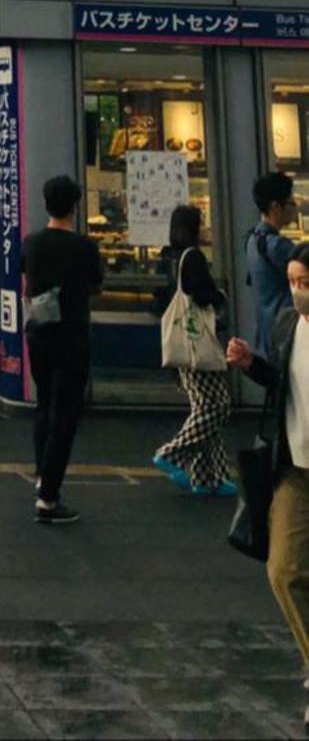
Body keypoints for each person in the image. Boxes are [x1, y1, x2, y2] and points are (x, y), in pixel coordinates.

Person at [229, 242, 309, 693]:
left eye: (306, 283)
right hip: (294, 466)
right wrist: (250, 364)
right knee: (283, 569)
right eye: (293, 282)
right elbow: (280, 380)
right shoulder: (286, 325)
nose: (298, 292)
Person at [21, 173, 103, 527]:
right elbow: (96, 284)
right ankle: (49, 497)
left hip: (39, 333)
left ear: (45, 204)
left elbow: (26, 276)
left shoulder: (31, 243)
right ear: (75, 206)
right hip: (72, 336)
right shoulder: (84, 248)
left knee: (44, 404)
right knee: (66, 414)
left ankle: (42, 475)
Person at [151, 203, 235, 496]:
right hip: (197, 345)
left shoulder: (172, 256)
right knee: (217, 405)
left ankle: (208, 478)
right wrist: (220, 295)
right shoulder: (194, 257)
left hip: (183, 345)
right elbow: (202, 294)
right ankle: (173, 453)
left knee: (203, 408)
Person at [247, 171, 299, 359]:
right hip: (286, 329)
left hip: (266, 330)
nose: (295, 208)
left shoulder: (253, 239)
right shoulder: (277, 245)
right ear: (276, 207)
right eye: (291, 203)